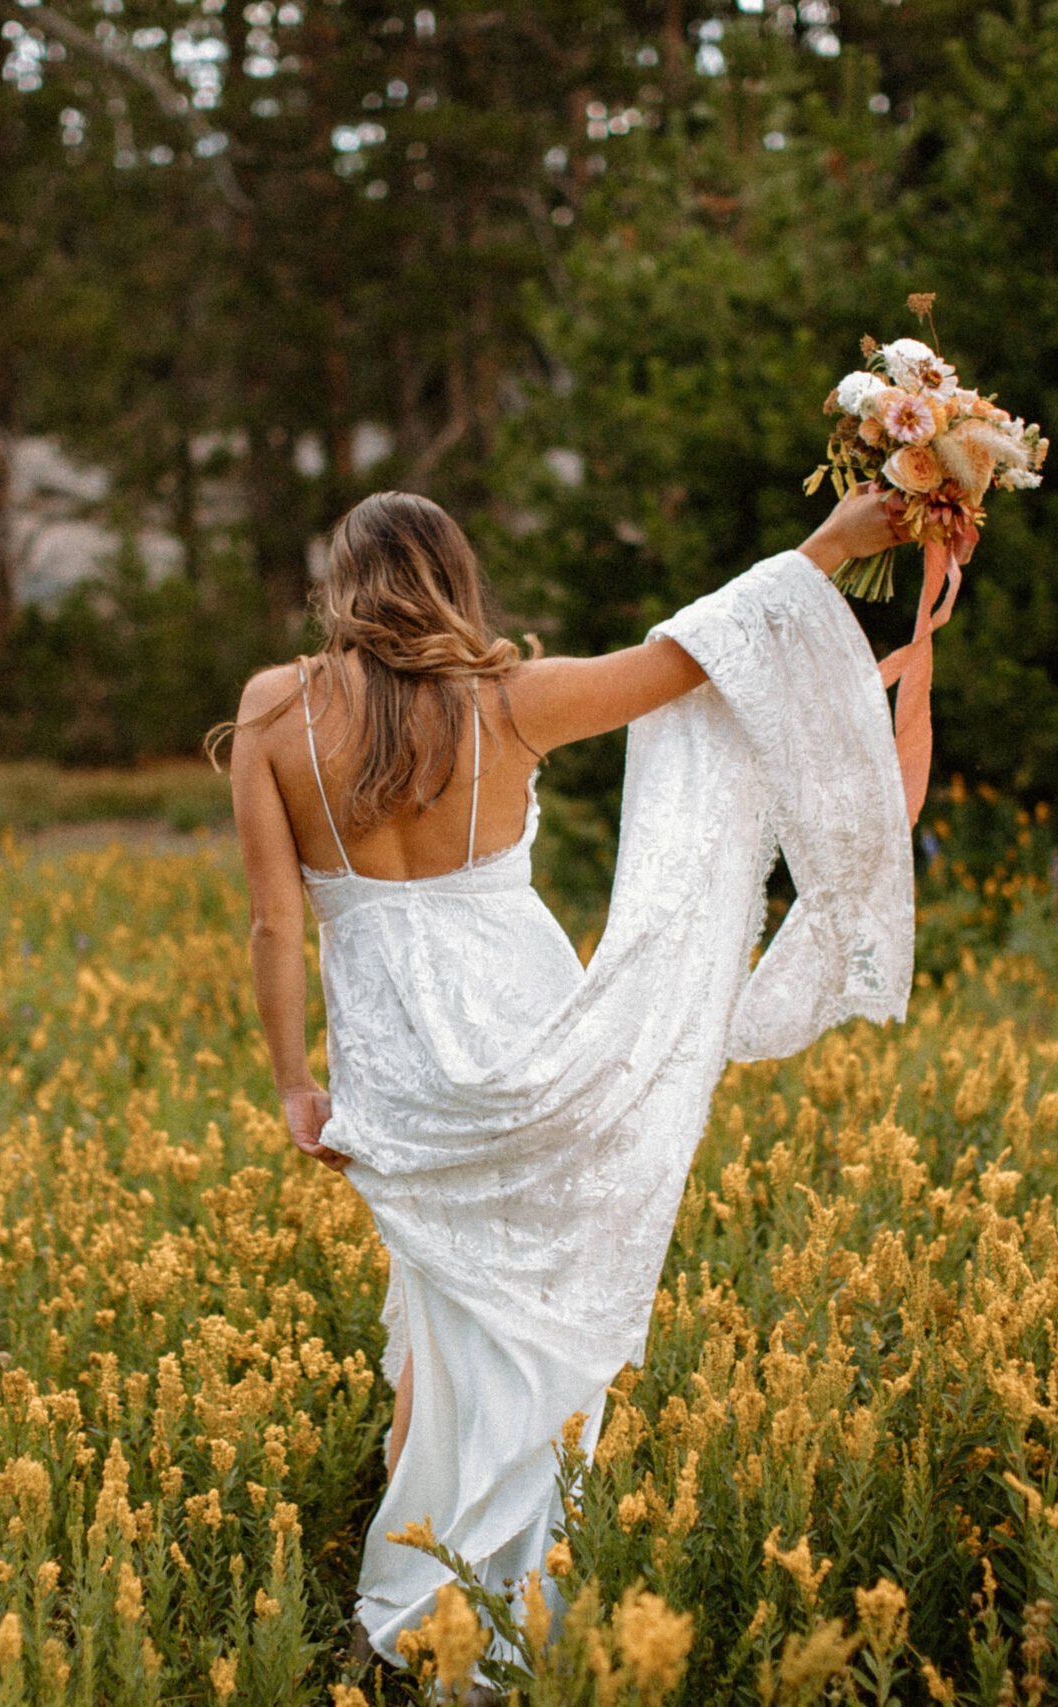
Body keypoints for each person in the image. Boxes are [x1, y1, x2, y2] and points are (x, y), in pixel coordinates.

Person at [218, 484, 948, 1677]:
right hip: (537, 1037)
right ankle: (492, 1619)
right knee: (533, 1325)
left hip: (396, 1067)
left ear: (338, 584)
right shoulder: (511, 699)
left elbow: (271, 927)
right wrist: (827, 545)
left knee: (445, 1321)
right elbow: (692, 654)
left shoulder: (272, 710)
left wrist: (296, 1083)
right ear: (455, 576)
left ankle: (405, 1618)